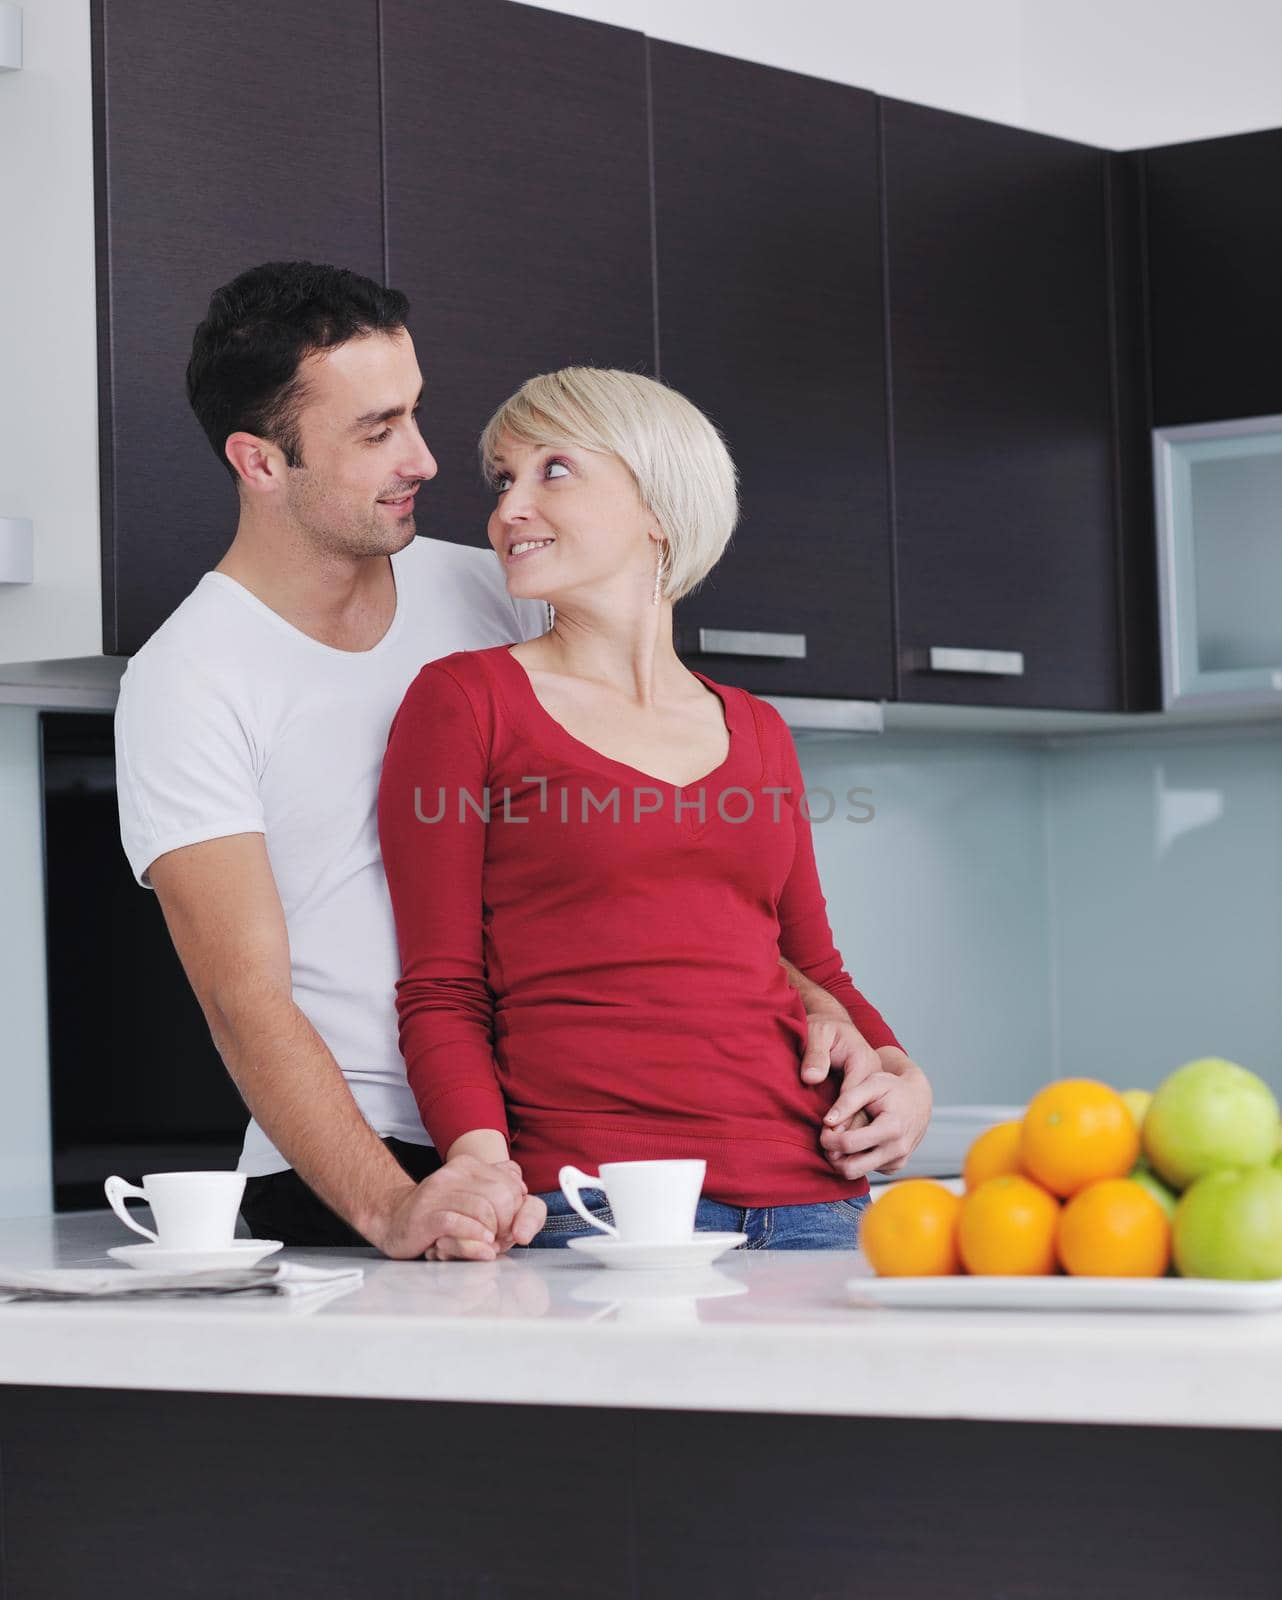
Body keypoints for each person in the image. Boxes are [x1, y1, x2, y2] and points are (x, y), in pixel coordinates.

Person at [113, 262, 889, 1258]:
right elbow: (243, 996)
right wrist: (391, 1203)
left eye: (416, 413)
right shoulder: (190, 679)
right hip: (368, 1154)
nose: (426, 460)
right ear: (261, 463)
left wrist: (845, 1026)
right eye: (375, 429)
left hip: (550, 1132)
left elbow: (677, 864)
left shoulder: (499, 587)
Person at [376, 367, 932, 1252]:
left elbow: (810, 962)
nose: (509, 508)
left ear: (659, 509)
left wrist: (902, 1075)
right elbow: (443, 987)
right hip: (597, 1205)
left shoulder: (756, 728)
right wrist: (480, 1163)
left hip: (817, 1195)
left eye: (552, 469)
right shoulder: (465, 702)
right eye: (503, 480)